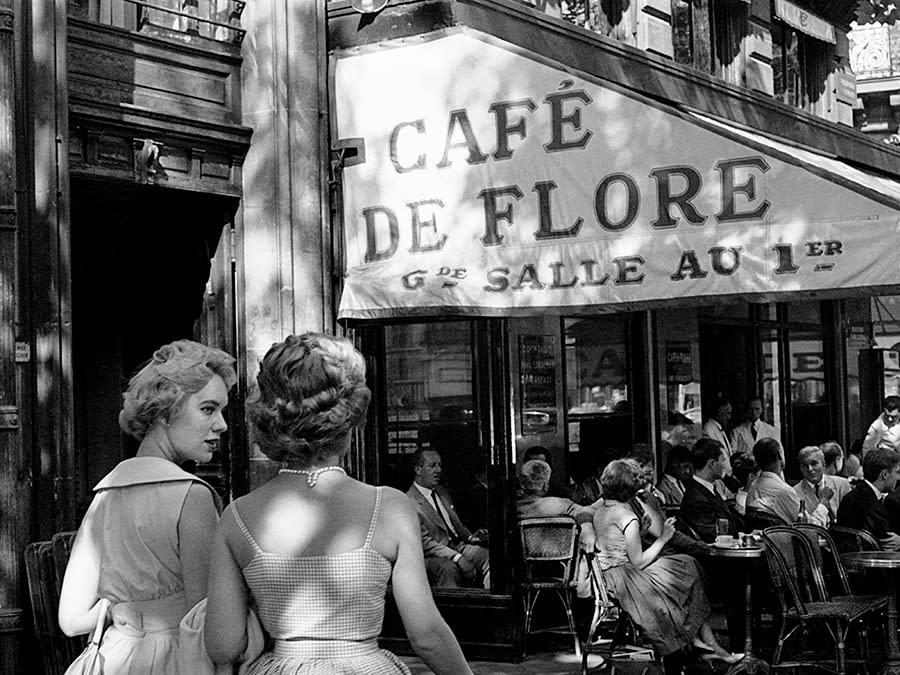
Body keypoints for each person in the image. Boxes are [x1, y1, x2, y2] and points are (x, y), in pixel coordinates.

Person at [204, 333, 472, 674]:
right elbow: (427, 636)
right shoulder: (390, 507)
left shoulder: (236, 516)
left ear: (269, 419)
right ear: (350, 416)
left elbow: (222, 643)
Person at [58, 340, 236, 673]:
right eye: (209, 409)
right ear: (167, 411)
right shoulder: (192, 495)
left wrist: (123, 610)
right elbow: (205, 626)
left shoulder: (104, 495)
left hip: (114, 658)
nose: (222, 425)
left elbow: (70, 620)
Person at [592, 459, 743, 665]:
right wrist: (663, 537)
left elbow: (618, 543)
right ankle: (703, 642)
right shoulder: (627, 515)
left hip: (610, 575)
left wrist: (642, 532)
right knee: (686, 569)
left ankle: (703, 642)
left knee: (685, 567)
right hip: (627, 578)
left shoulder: (603, 511)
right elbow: (637, 562)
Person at [407, 448, 490, 589]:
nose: (438, 470)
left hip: (458, 546)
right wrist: (457, 557)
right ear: (418, 470)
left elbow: (456, 525)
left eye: (440, 465)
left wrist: (471, 538)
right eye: (432, 466)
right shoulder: (410, 502)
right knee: (447, 569)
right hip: (436, 554)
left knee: (491, 557)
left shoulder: (442, 492)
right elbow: (426, 544)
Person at [679, 438, 744, 542]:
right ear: (712, 464)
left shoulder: (708, 490)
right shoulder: (696, 498)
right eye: (723, 460)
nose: (725, 466)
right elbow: (712, 535)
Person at [836, 447, 900, 550]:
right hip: (870, 562)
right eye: (897, 472)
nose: (899, 478)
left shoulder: (858, 495)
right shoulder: (867, 502)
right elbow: (888, 542)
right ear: (884, 474)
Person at [745, 438, 800, 525]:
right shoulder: (785, 491)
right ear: (780, 455)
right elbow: (807, 526)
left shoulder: (751, 487)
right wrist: (823, 504)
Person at [792, 445, 851, 527]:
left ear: (824, 465)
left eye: (814, 464)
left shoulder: (842, 484)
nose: (810, 469)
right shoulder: (795, 493)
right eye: (805, 466)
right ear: (801, 468)